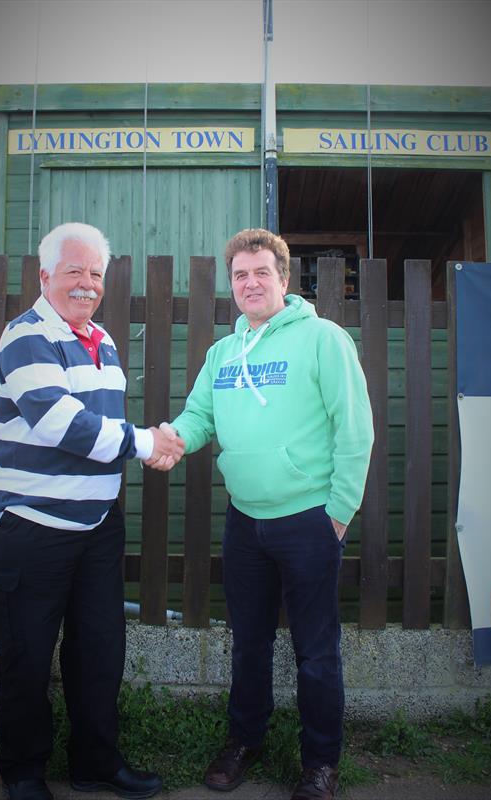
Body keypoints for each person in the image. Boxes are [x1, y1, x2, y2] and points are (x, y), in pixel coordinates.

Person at [159, 229, 374, 800]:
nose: (250, 283)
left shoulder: (323, 339)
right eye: (240, 275)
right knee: (248, 642)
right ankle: (244, 741)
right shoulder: (222, 354)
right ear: (232, 285)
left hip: (309, 521)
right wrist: (171, 439)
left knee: (316, 650)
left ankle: (320, 763)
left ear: (284, 278)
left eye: (260, 272)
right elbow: (198, 416)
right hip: (245, 522)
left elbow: (356, 429)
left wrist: (338, 513)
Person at [0, 222, 184, 800]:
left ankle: (96, 763)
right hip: (29, 523)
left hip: (96, 527)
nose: (87, 284)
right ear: (45, 277)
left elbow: (99, 431)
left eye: (96, 274)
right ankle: (23, 772)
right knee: (25, 655)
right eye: (74, 271)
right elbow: (60, 423)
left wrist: (139, 443)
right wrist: (146, 443)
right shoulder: (24, 336)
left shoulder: (105, 341)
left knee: (99, 651)